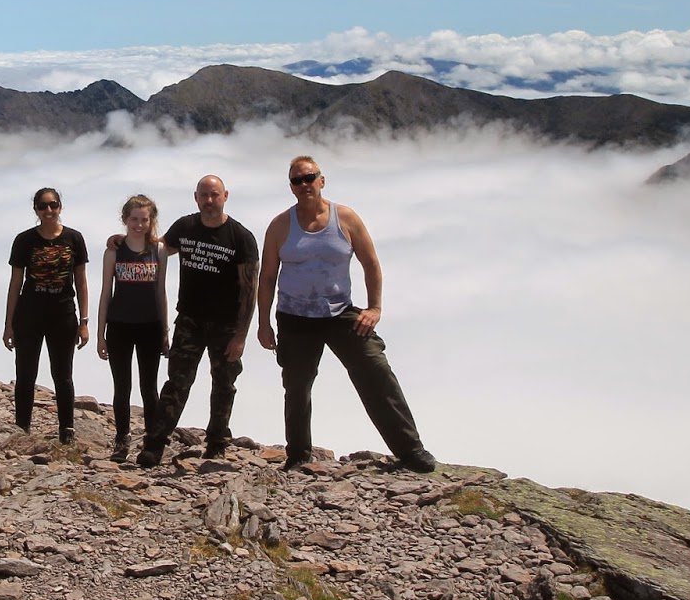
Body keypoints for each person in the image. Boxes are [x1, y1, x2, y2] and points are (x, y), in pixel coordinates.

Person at [255, 156, 437, 473]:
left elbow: (371, 263)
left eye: (309, 177)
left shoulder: (346, 218)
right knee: (297, 387)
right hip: (294, 317)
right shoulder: (280, 225)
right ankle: (298, 456)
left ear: (321, 180)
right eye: (297, 180)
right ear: (291, 187)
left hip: (340, 313)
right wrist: (263, 323)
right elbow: (267, 276)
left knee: (376, 372)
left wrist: (375, 308)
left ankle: (411, 450)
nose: (304, 184)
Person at [135, 175, 258, 468]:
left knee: (224, 383)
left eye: (214, 195)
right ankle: (155, 444)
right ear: (196, 197)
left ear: (225, 196)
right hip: (189, 320)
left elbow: (249, 289)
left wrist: (241, 335)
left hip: (226, 324)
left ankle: (217, 443)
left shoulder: (240, 237)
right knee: (177, 382)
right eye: (204, 195)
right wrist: (125, 241)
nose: (209, 201)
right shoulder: (186, 227)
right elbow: (159, 248)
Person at [3, 188, 90, 442]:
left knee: (63, 374)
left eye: (53, 205)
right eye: (43, 206)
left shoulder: (74, 239)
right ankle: (22, 428)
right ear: (36, 210)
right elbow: (15, 283)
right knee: (26, 373)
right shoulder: (24, 240)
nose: (48, 211)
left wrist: (84, 322)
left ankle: (67, 430)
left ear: (60, 206)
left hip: (63, 313)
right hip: (29, 313)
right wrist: (9, 324)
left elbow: (81, 282)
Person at [95, 194, 168, 462]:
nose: (139, 224)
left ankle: (151, 441)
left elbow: (161, 292)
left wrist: (165, 331)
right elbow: (105, 293)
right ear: (125, 219)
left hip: (150, 325)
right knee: (121, 386)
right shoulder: (113, 251)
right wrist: (100, 334)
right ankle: (122, 439)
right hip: (119, 325)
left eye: (144, 219)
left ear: (152, 221)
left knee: (149, 388)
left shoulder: (158, 251)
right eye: (134, 219)